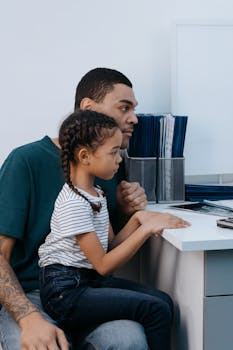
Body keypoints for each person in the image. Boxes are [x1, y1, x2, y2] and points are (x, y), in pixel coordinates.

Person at [0, 67, 150, 350]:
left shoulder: (109, 165)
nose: (134, 118)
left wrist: (124, 208)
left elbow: (101, 245)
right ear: (88, 108)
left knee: (128, 341)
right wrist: (27, 317)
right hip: (31, 296)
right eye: (124, 107)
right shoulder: (25, 161)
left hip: (90, 291)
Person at [38, 110, 189, 350]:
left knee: (163, 301)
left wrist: (138, 218)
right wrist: (146, 229)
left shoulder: (96, 193)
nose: (120, 160)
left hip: (87, 282)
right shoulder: (73, 203)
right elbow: (104, 265)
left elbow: (111, 246)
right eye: (113, 152)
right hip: (65, 292)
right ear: (85, 156)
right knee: (155, 309)